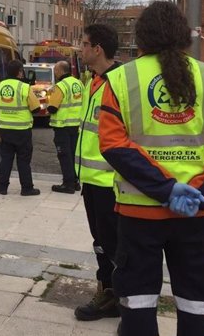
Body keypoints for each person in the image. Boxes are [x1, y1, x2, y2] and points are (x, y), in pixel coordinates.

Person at [98, 1, 204, 336]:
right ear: (185, 36)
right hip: (196, 215)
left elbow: (113, 145)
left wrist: (165, 190)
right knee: (195, 304)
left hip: (139, 215)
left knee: (138, 303)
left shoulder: (121, 79)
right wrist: (201, 194)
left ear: (141, 38)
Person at [73, 24, 122, 321]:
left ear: (98, 48)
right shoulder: (93, 81)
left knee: (113, 244)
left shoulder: (117, 84)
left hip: (109, 183)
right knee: (101, 242)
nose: (81, 48)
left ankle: (116, 296)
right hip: (91, 181)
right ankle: (109, 290)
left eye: (84, 43)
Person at [0, 59, 42, 196]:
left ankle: (2, 187)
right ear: (20, 72)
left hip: (5, 129)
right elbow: (36, 108)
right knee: (23, 160)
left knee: (6, 159)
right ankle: (26, 188)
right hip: (22, 130)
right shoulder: (25, 87)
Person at [48, 60, 84, 193]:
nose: (55, 73)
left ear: (61, 71)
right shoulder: (78, 83)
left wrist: (48, 102)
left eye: (56, 70)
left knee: (64, 155)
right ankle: (75, 182)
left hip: (62, 125)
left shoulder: (60, 86)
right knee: (74, 154)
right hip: (76, 125)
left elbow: (52, 107)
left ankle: (67, 184)